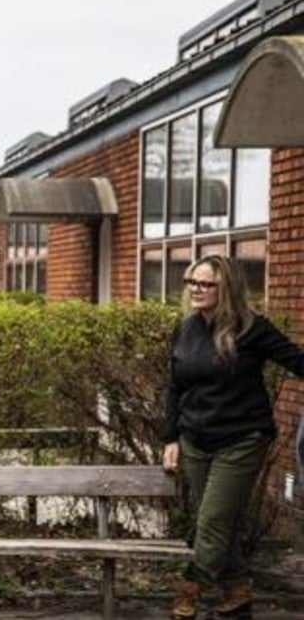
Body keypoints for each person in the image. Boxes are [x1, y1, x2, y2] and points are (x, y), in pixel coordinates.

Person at [161, 255, 304, 620]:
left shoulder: (253, 329)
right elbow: (175, 388)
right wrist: (171, 438)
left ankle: (188, 592)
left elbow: (297, 361)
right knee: (217, 522)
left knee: (211, 522)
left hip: (241, 439)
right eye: (192, 281)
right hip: (194, 439)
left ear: (226, 289)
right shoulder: (186, 328)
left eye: (205, 284)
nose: (196, 289)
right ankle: (238, 590)